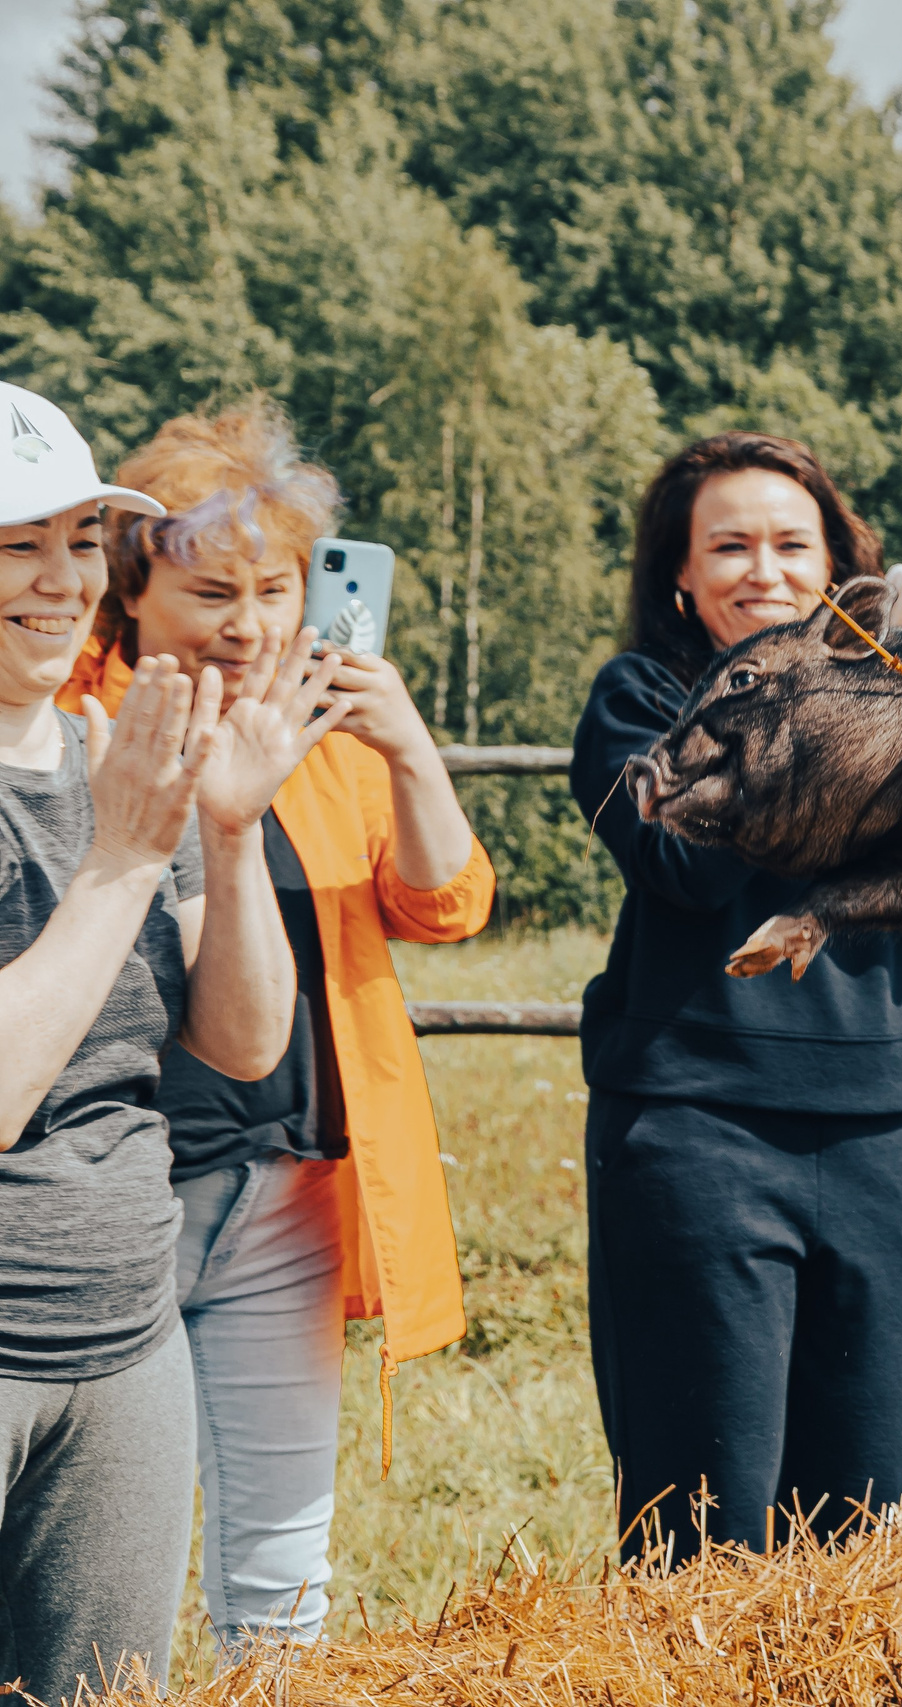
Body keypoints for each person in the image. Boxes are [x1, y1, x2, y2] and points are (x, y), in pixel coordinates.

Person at [57, 400, 495, 1652]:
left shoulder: (326, 739)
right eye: (209, 592)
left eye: (276, 588)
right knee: (88, 1558)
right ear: (132, 591)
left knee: (281, 1562)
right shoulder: (71, 727)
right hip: (114, 1183)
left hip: (288, 1185)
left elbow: (443, 903)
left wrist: (408, 750)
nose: (248, 625)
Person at [0, 382, 341, 1699]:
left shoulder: (122, 752)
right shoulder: (126, 801)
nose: (60, 579)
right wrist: (127, 856)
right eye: (18, 544)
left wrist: (232, 828)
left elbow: (246, 1045)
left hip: (124, 1341)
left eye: (82, 539)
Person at [572, 432, 902, 1563]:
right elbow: (684, 861)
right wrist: (810, 703)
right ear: (679, 574)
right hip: (696, 1136)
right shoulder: (638, 698)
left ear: (835, 564)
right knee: (702, 1531)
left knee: (856, 1529)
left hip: (875, 1135)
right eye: (727, 545)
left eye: (791, 544)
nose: (761, 569)